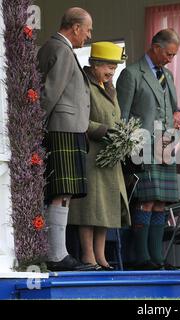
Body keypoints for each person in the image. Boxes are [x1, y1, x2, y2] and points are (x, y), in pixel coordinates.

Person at [116, 28, 180, 270]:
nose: (170, 59)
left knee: (161, 203)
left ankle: (158, 259)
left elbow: (175, 107)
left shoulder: (169, 76)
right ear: (155, 47)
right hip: (141, 147)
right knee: (144, 202)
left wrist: (179, 114)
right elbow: (121, 116)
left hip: (165, 147)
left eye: (174, 55)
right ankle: (142, 258)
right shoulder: (131, 74)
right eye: (168, 54)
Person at [37, 7, 94, 271]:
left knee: (65, 193)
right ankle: (57, 254)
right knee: (60, 192)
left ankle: (59, 252)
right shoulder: (60, 49)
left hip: (68, 127)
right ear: (74, 28)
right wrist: (35, 128)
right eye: (88, 29)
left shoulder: (60, 48)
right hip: (62, 128)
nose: (89, 35)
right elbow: (49, 93)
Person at [68, 42, 131, 270]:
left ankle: (101, 255)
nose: (111, 71)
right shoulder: (85, 85)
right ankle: (88, 256)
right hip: (92, 154)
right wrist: (106, 131)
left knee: (106, 208)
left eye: (114, 68)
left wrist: (123, 134)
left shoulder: (109, 87)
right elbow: (80, 118)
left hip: (109, 157)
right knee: (90, 208)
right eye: (108, 66)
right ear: (94, 64)